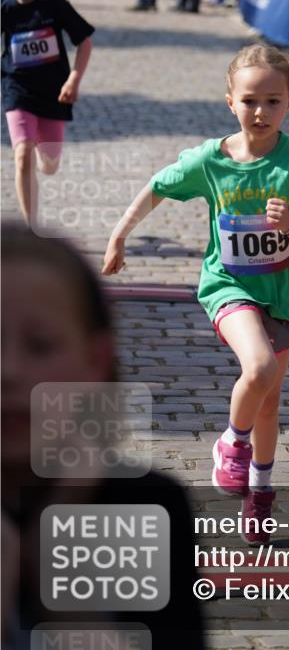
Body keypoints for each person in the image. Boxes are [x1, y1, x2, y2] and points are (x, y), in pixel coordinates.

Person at [102, 44, 289, 538]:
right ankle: (231, 445)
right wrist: (119, 234)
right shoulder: (211, 161)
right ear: (230, 102)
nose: (261, 112)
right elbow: (158, 185)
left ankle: (259, 491)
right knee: (256, 367)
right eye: (250, 100)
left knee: (270, 399)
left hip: (285, 295)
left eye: (274, 101)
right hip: (228, 285)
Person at [1, 223, 205, 646]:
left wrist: (70, 605)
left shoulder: (148, 508)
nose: (10, 372)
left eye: (41, 346)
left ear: (95, 361)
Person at [1, 0, 94, 226]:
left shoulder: (55, 5)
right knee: (22, 155)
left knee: (49, 166)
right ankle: (31, 227)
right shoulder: (5, 8)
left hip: (54, 93)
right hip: (17, 89)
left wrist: (74, 80)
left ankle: (44, 157)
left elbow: (85, 42)